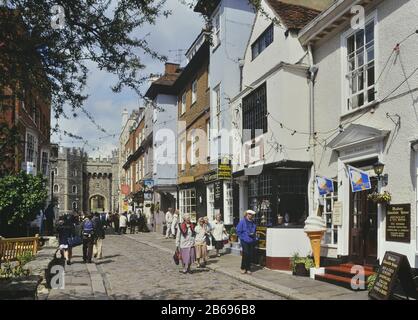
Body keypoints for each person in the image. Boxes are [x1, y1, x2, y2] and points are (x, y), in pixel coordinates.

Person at [236, 210, 257, 275]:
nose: (250, 215)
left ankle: (248, 268)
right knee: (246, 253)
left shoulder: (253, 223)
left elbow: (254, 230)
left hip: (251, 240)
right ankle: (243, 268)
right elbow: (238, 231)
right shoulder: (242, 221)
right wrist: (242, 238)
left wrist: (254, 236)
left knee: (250, 254)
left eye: (251, 215)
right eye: (249, 214)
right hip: (244, 240)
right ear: (246, 214)